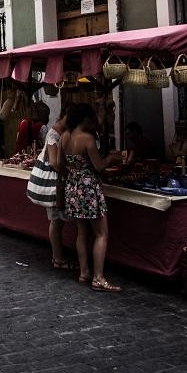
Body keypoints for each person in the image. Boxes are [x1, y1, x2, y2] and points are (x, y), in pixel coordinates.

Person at [59, 104, 122, 292]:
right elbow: (99, 166)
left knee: (82, 232)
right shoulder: (87, 139)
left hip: (73, 187)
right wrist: (111, 157)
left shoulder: (64, 137)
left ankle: (84, 273)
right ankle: (99, 278)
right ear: (85, 119)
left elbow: (62, 164)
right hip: (88, 189)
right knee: (101, 233)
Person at [42, 107, 73, 269]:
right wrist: (69, 172)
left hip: (59, 184)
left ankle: (58, 257)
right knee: (56, 221)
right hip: (55, 184)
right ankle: (58, 258)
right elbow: (54, 162)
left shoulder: (58, 134)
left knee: (58, 221)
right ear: (61, 117)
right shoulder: (53, 135)